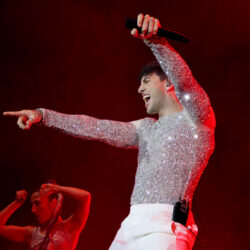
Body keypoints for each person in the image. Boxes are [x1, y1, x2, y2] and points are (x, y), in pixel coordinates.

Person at [3, 13, 215, 249]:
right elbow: (96, 127)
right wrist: (44, 116)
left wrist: (155, 41)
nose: (139, 88)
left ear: (168, 83)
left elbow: (185, 82)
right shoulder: (145, 128)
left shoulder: (197, 119)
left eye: (145, 80)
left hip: (167, 226)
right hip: (130, 224)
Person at [0, 182, 91, 249]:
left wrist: (57, 189)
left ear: (53, 203)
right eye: (32, 205)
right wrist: (16, 203)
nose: (33, 210)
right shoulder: (31, 233)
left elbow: (85, 197)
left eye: (37, 203)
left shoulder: (69, 228)